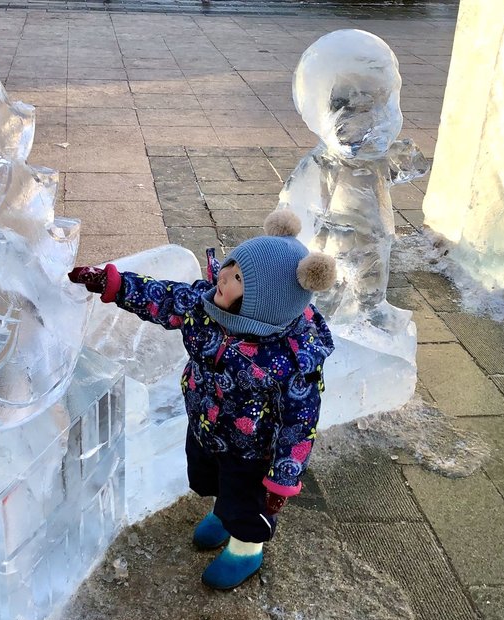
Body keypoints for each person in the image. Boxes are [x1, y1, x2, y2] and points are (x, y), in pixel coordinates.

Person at [68, 210, 335, 590]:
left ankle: (246, 548)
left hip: (252, 448)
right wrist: (112, 284)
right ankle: (223, 514)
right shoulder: (206, 306)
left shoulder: (290, 360)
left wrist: (283, 478)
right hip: (206, 423)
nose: (223, 276)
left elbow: (300, 422)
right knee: (207, 475)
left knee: (246, 502)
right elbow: (163, 297)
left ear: (267, 303)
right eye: (230, 265)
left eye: (239, 278)